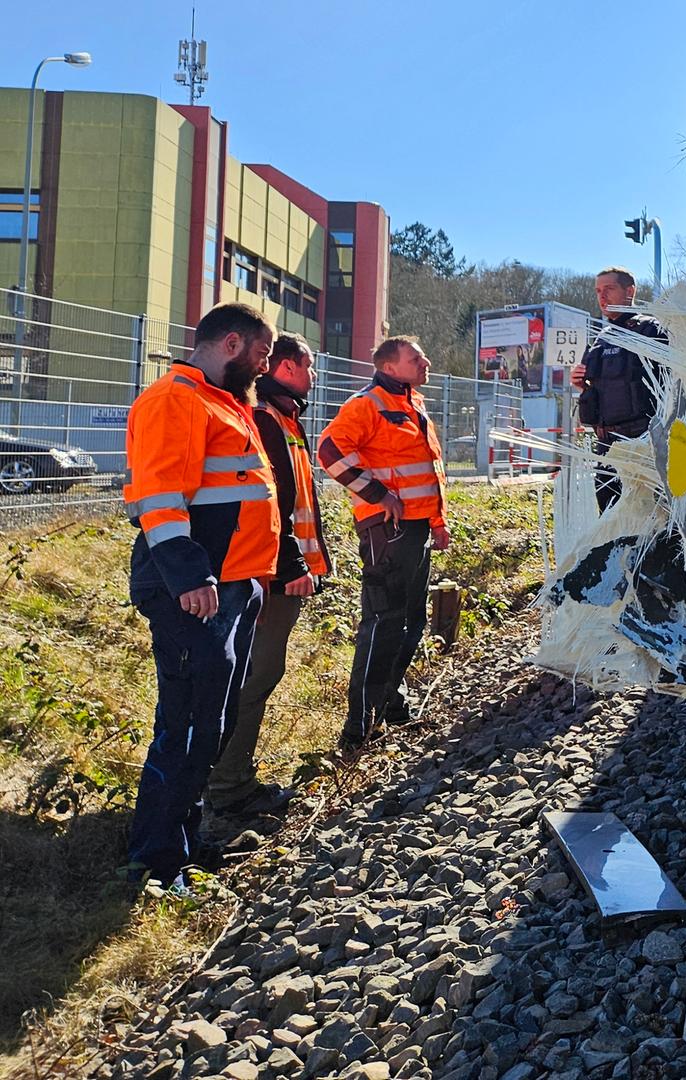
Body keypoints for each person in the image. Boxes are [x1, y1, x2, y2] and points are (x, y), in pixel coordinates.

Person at [120, 302, 278, 887]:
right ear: (231, 344)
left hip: (229, 586)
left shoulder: (221, 402)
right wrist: (190, 578)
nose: (264, 367)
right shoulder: (175, 400)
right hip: (195, 592)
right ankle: (156, 860)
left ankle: (183, 843)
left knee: (209, 720)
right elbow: (161, 500)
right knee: (186, 722)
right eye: (261, 355)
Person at [206, 333, 331, 818]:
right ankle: (227, 786)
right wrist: (291, 567)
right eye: (309, 367)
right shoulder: (266, 418)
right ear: (287, 368)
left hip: (272, 568)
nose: (314, 377)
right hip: (268, 572)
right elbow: (270, 502)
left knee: (256, 673)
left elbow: (295, 498)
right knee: (255, 675)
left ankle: (225, 780)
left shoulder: (283, 418)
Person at [317, 336, 451, 750]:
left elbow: (426, 471)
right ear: (390, 367)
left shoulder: (413, 402)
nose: (426, 361)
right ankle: (359, 728)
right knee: (384, 623)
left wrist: (438, 522)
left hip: (416, 529)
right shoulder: (366, 403)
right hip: (388, 531)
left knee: (412, 622)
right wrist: (378, 495)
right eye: (416, 358)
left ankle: (390, 702)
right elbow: (330, 450)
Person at [570, 266, 666, 511]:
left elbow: (672, 386)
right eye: (598, 291)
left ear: (629, 291)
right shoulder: (601, 338)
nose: (602, 297)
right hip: (607, 447)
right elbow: (597, 390)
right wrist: (582, 385)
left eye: (609, 289)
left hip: (642, 444)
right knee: (611, 517)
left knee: (651, 518)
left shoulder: (651, 330)